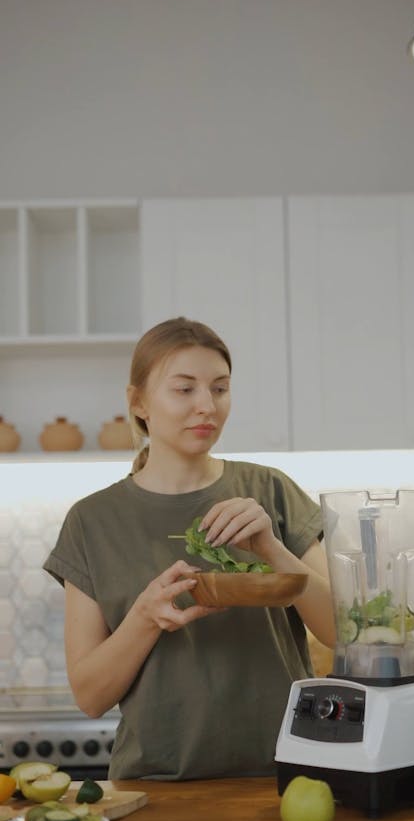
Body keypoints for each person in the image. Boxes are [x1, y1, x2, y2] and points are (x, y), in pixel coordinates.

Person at [44, 317, 334, 781]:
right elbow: (90, 696)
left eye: (220, 388)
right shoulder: (92, 521)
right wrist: (145, 616)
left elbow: (343, 633)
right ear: (138, 402)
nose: (207, 406)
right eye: (184, 389)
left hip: (284, 775)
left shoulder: (270, 491)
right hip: (155, 787)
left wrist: (272, 550)